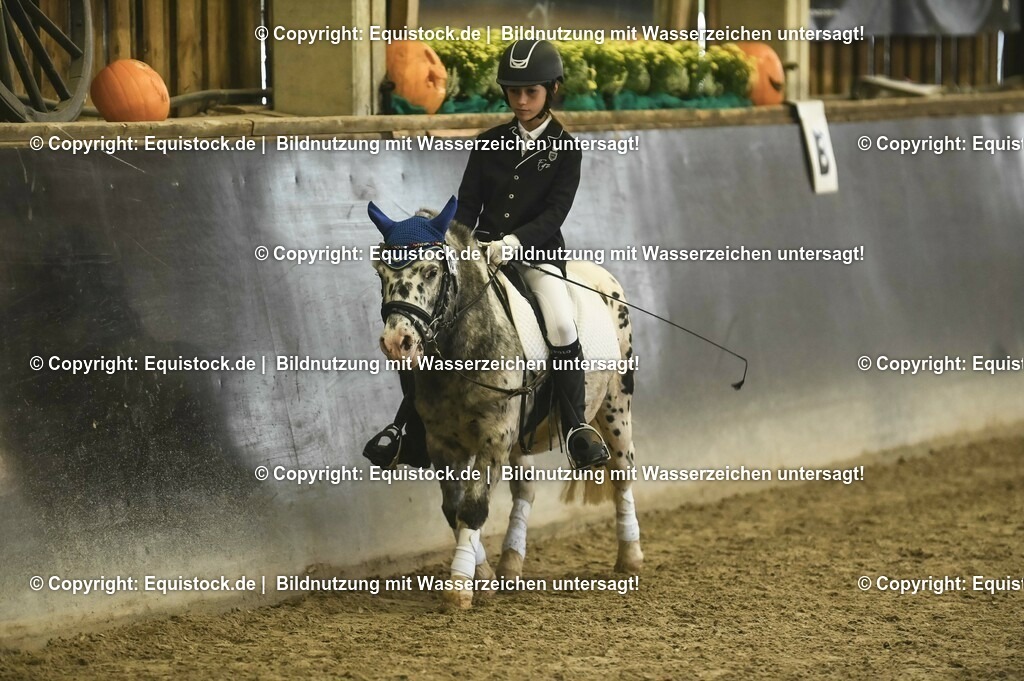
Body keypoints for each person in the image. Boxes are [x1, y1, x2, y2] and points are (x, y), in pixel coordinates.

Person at [364, 39, 610, 471]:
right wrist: (468, 245)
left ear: (552, 90)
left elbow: (554, 214)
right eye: (513, 91)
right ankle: (408, 427)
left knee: (559, 320)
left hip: (537, 259)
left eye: (530, 91)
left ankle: (574, 428)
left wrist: (515, 242)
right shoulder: (488, 143)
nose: (520, 100)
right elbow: (468, 205)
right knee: (426, 321)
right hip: (482, 257)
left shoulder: (566, 150)